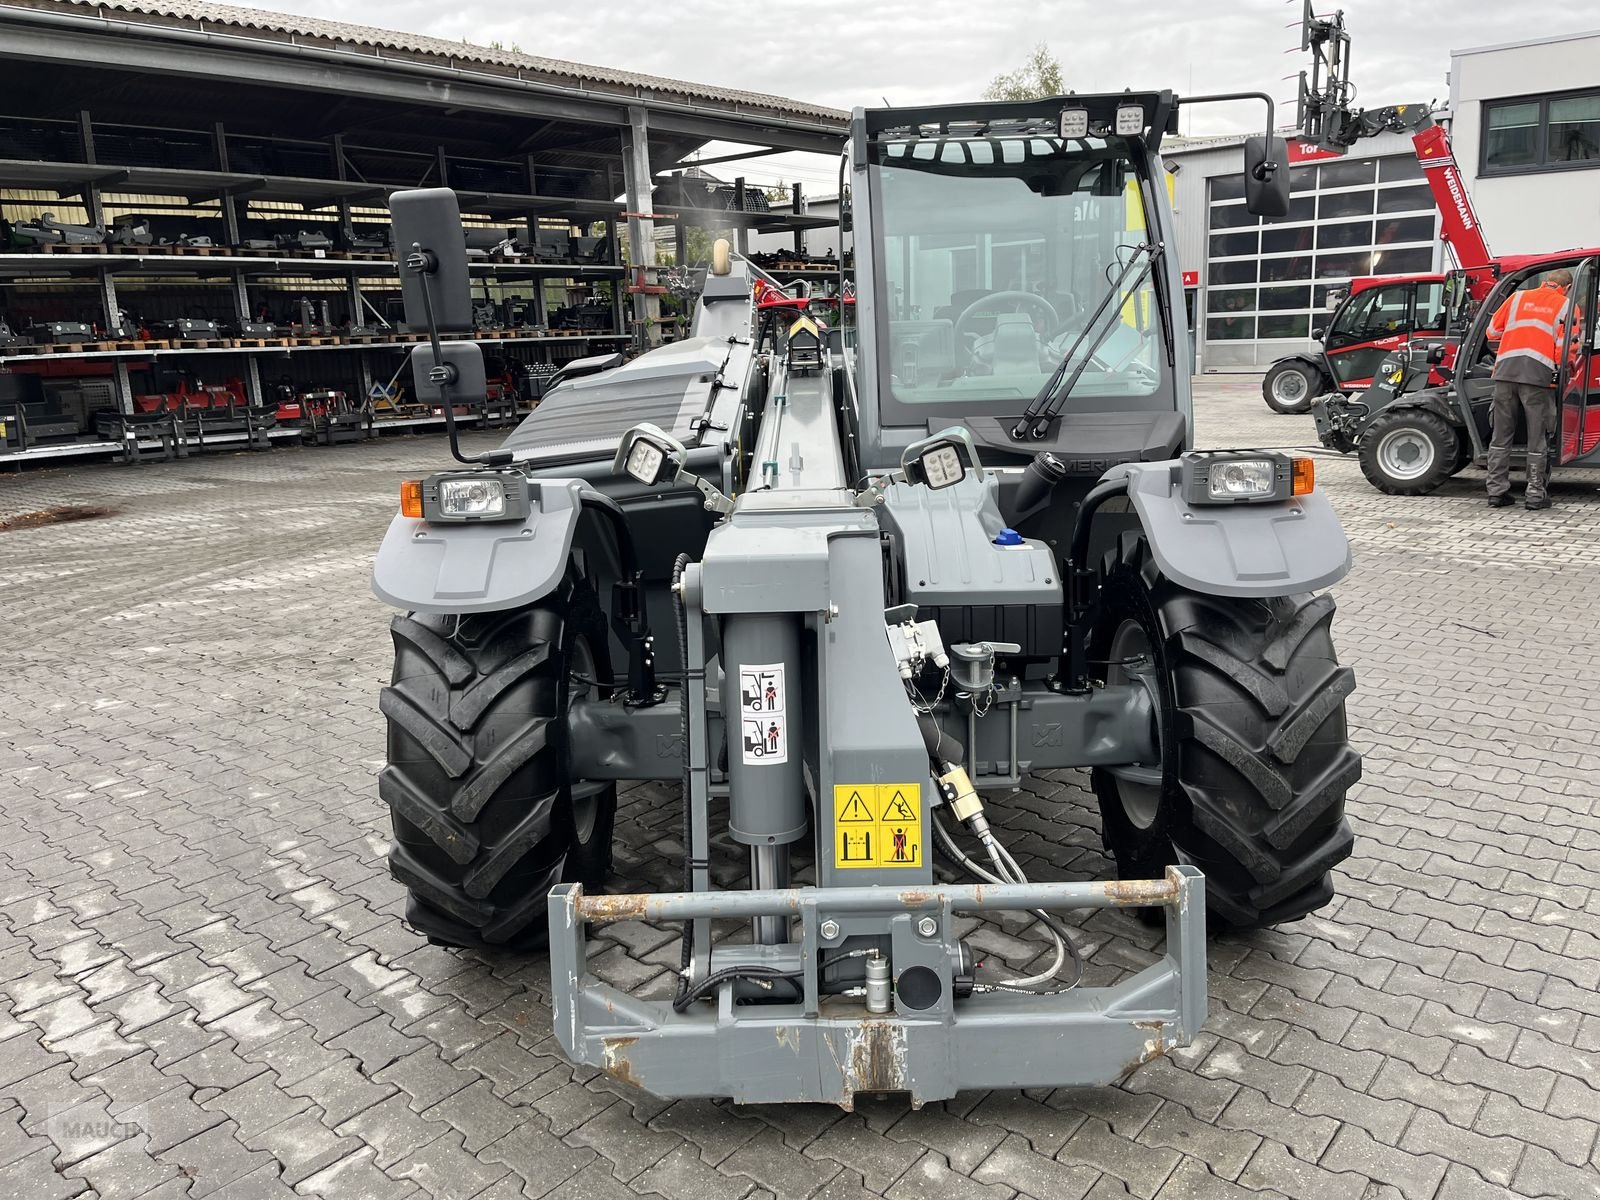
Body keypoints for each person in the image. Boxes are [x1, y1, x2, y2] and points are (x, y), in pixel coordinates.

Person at [1485, 269, 1573, 510]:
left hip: (1505, 373)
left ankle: (1496, 492)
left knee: (1501, 436)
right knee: (1538, 438)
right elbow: (1566, 350)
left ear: (1546, 283)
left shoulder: (1517, 298)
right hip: (1538, 376)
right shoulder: (1566, 305)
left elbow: (1492, 332)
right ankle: (1535, 493)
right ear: (1566, 288)